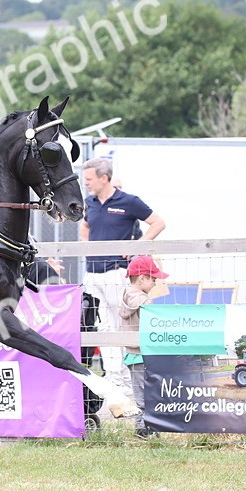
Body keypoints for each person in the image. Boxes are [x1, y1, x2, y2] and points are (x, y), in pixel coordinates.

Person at [80, 158, 166, 400]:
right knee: (102, 328)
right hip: (92, 273)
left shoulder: (129, 201)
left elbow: (158, 223)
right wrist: (88, 247)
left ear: (103, 178)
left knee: (121, 327)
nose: (85, 183)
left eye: (89, 179)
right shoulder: (89, 203)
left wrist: (138, 245)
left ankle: (129, 383)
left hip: (116, 272)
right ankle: (114, 381)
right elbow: (85, 227)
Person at [118, 255, 168, 438]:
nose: (155, 283)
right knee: (144, 394)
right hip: (141, 353)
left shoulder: (126, 296)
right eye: (153, 279)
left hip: (134, 355)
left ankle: (147, 427)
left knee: (143, 391)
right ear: (142, 278)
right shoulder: (142, 301)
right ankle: (143, 429)